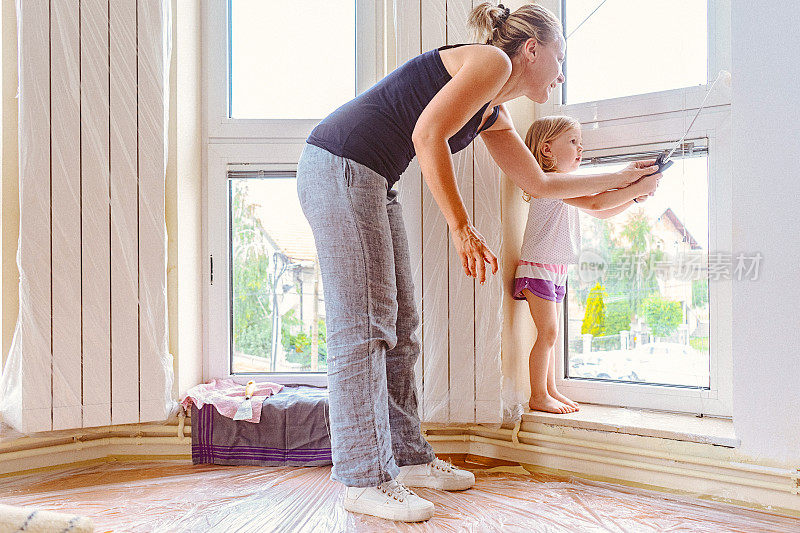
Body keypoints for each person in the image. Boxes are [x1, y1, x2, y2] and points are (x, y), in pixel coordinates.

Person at [296, 1, 661, 523]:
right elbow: (428, 135)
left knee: (402, 327)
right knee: (364, 329)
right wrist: (462, 227)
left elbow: (539, 183)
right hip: (340, 166)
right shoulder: (493, 62)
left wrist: (622, 179)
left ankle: (406, 457)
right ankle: (364, 478)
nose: (562, 73)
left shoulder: (494, 109)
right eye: (559, 58)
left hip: (372, 178)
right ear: (531, 49)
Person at [514, 116, 660, 415]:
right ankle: (538, 395)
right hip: (539, 267)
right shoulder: (551, 183)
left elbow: (600, 209)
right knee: (549, 334)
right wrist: (634, 189)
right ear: (546, 150)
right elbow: (597, 204)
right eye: (573, 142)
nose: (580, 148)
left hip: (555, 268)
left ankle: (549, 389)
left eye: (580, 142)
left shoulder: (562, 187)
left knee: (551, 335)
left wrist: (634, 198)